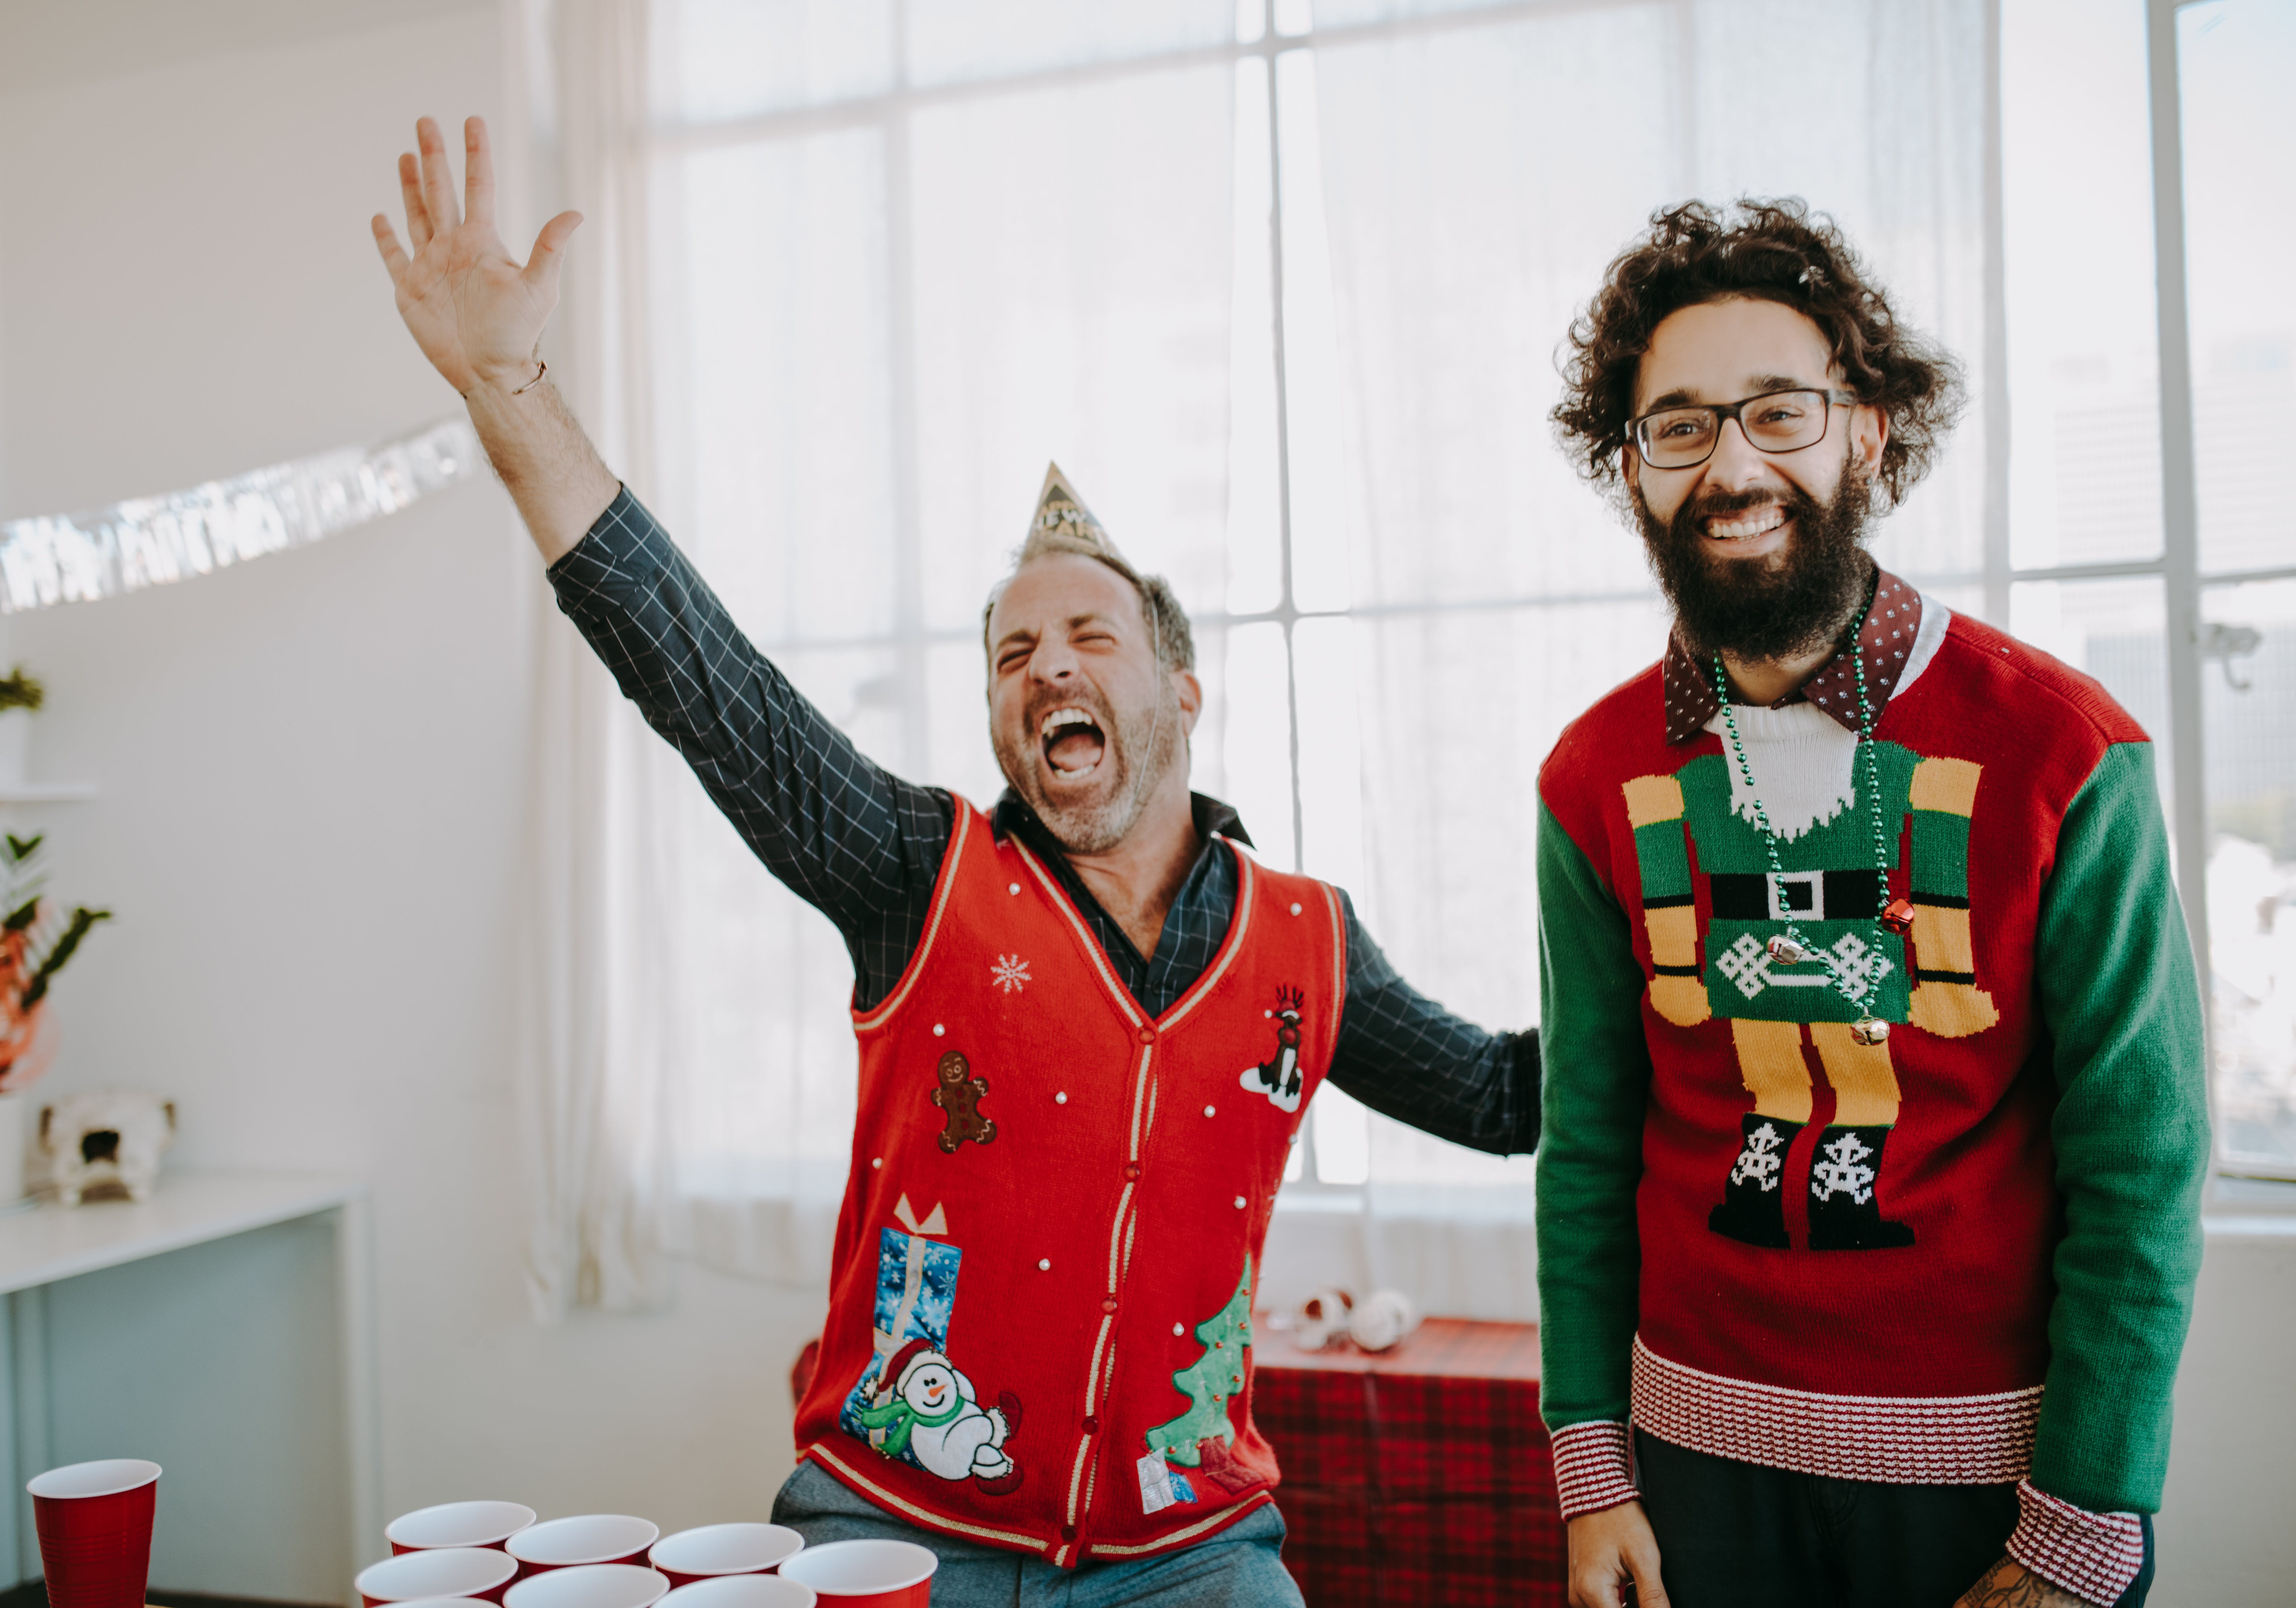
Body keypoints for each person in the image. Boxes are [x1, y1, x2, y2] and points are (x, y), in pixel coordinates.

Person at [369, 115, 1539, 1606]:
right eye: (1012, 652)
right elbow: (698, 674)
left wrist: (1730, 978)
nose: (1046, 667)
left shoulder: (1305, 943)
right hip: (887, 1525)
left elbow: (1511, 1095)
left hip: (1191, 1555)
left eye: (1090, 637)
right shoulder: (920, 873)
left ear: (1181, 691)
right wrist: (506, 385)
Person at [1531, 197, 2207, 1608]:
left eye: (1781, 410)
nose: (1733, 463)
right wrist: (1592, 1469)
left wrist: (2081, 1519)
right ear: (1635, 470)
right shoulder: (1589, 773)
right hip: (1687, 1480)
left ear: (1869, 430)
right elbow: (1586, 1142)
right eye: (1681, 425)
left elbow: (2141, 1163)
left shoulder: (2069, 750)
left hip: (1996, 1491)